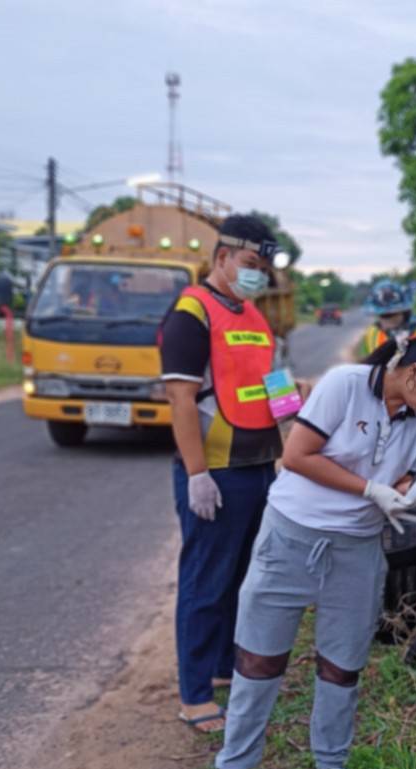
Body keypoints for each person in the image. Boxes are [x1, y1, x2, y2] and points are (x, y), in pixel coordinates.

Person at [207, 327, 416, 769]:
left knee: (342, 664)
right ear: (415, 372)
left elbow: (397, 486)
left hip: (357, 549)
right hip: (291, 537)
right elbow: (299, 455)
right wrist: (368, 487)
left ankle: (330, 768)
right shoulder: (345, 385)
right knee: (259, 661)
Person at [159, 214, 285, 734]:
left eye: (262, 268)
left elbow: (275, 382)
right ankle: (193, 696)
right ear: (222, 258)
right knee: (205, 584)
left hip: (258, 466)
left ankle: (218, 670)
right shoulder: (192, 313)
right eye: (249, 264)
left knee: (239, 580)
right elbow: (181, 398)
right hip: (216, 472)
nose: (255, 275)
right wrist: (196, 474)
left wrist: (299, 434)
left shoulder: (255, 316)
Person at [358, 279, 416, 468]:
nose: (386, 321)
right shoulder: (372, 334)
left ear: (404, 310)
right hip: (387, 411)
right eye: (382, 316)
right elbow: (367, 372)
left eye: (391, 315)